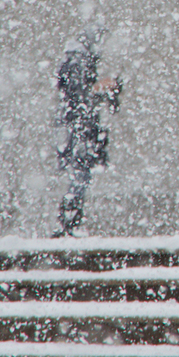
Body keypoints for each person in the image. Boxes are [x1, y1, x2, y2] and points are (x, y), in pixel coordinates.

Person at [53, 22, 122, 237]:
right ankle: (70, 223)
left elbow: (77, 94)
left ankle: (70, 222)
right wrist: (102, 89)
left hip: (80, 128)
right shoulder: (79, 61)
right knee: (79, 175)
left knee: (80, 175)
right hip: (81, 129)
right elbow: (81, 95)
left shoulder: (77, 59)